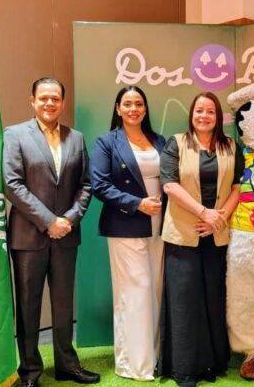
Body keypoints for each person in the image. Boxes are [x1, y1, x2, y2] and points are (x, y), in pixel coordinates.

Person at [3, 77, 98, 387]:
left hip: (66, 237)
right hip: (28, 238)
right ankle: (30, 371)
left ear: (63, 103)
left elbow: (86, 185)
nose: (49, 103)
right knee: (28, 307)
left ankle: (66, 365)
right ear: (32, 100)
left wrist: (68, 220)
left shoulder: (76, 138)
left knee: (63, 306)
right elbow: (12, 184)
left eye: (55, 98)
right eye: (43, 97)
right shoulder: (15, 135)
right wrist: (49, 221)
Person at [156, 92, 243, 387]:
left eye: (210, 111)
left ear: (218, 117)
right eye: (199, 111)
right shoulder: (176, 143)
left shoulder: (230, 146)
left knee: (212, 299)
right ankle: (183, 369)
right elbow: (169, 185)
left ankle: (211, 364)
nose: (204, 116)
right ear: (191, 114)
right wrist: (204, 213)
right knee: (184, 300)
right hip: (183, 234)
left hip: (216, 235)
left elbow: (237, 187)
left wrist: (219, 218)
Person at [89, 85, 166, 380]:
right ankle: (134, 363)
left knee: (155, 292)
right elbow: (100, 185)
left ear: (145, 109)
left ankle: (154, 357)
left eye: (139, 104)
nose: (133, 109)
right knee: (135, 293)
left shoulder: (158, 140)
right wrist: (137, 204)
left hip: (160, 227)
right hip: (126, 225)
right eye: (128, 104)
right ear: (118, 108)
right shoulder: (107, 142)